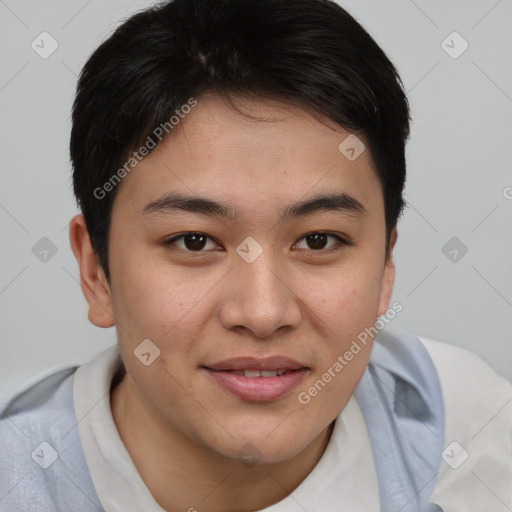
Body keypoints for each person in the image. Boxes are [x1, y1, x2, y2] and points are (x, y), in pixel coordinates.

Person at [1, 0, 510, 510]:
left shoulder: (472, 437)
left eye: (318, 240)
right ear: (96, 273)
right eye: (194, 241)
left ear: (385, 269)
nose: (263, 313)